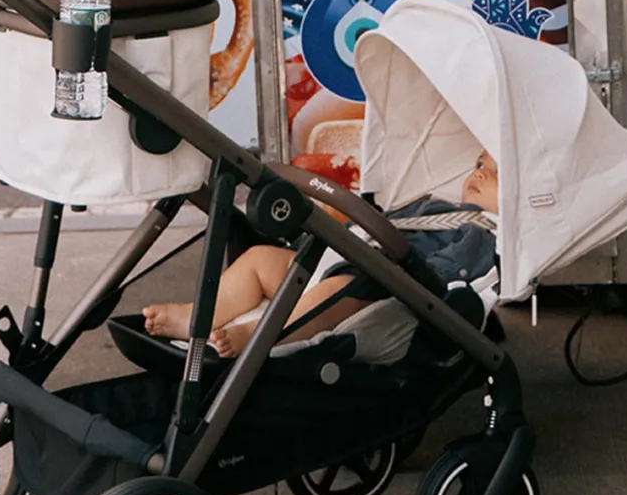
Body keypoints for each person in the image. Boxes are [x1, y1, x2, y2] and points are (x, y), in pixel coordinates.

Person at [143, 152, 499, 356]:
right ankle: (197, 317)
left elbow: (451, 270)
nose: (480, 174)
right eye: (479, 164)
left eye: (495, 173)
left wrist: (411, 276)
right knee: (259, 260)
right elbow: (382, 223)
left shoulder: (481, 232)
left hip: (384, 280)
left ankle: (257, 335)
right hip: (344, 254)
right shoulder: (432, 204)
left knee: (335, 293)